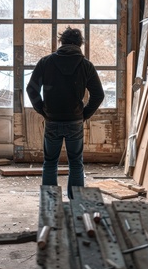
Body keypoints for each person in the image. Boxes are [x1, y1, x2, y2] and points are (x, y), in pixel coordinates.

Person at [26, 26, 104, 199]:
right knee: (76, 164)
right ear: (79, 44)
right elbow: (99, 94)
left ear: (61, 42)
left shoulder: (45, 62)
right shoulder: (86, 65)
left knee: (50, 163)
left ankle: (50, 203)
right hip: (74, 121)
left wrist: (42, 109)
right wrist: (84, 114)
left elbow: (31, 89)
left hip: (52, 120)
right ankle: (76, 202)